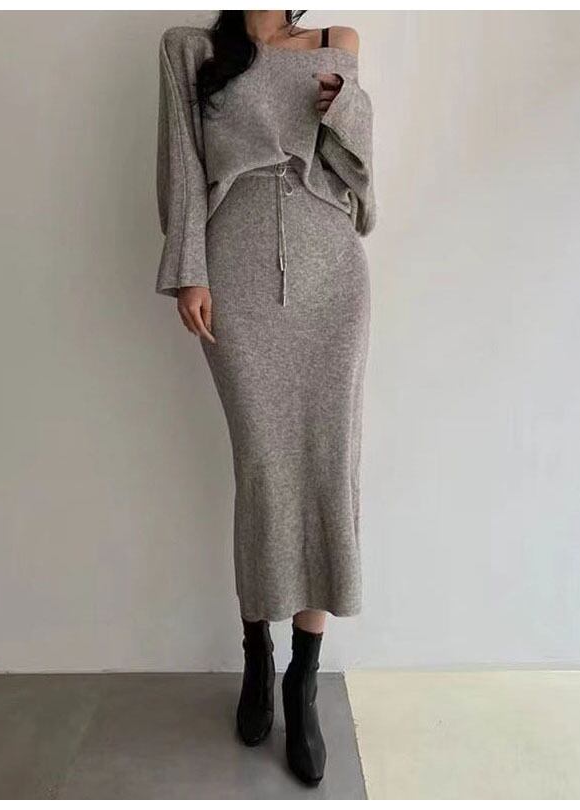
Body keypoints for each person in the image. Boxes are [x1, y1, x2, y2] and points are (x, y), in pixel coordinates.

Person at [155, 10, 376, 786]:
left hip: (330, 268)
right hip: (237, 267)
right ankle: (258, 652)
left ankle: (302, 679)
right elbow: (184, 168)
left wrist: (344, 109)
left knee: (328, 466)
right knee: (262, 469)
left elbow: (359, 173)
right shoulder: (191, 49)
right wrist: (190, 270)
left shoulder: (337, 43)